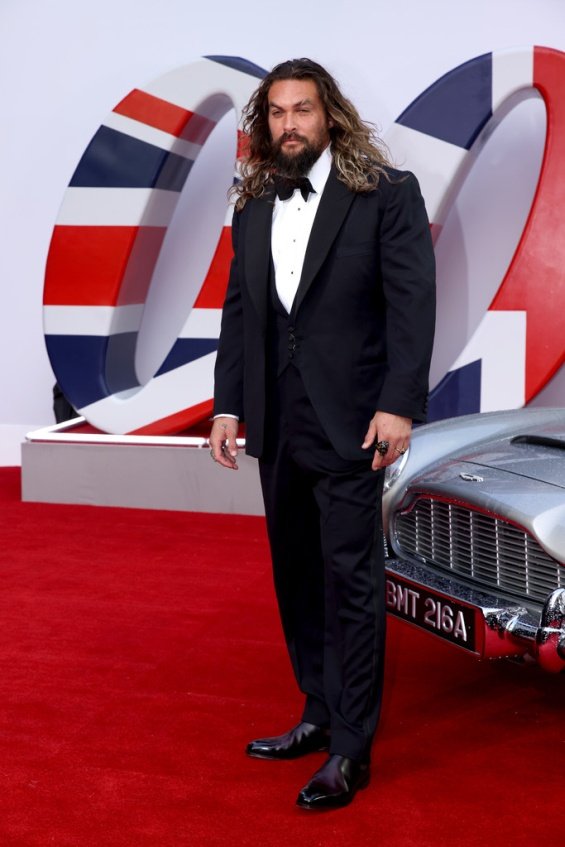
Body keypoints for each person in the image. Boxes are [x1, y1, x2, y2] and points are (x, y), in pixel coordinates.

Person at [209, 58, 435, 810]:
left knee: (351, 581)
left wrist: (398, 403)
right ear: (263, 124)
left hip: (354, 417)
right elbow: (242, 311)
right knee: (297, 574)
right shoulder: (254, 201)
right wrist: (227, 405)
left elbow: (411, 304)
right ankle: (316, 709)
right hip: (278, 418)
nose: (289, 125)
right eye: (276, 114)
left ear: (328, 115)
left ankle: (349, 746)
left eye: (301, 110)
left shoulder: (386, 194)